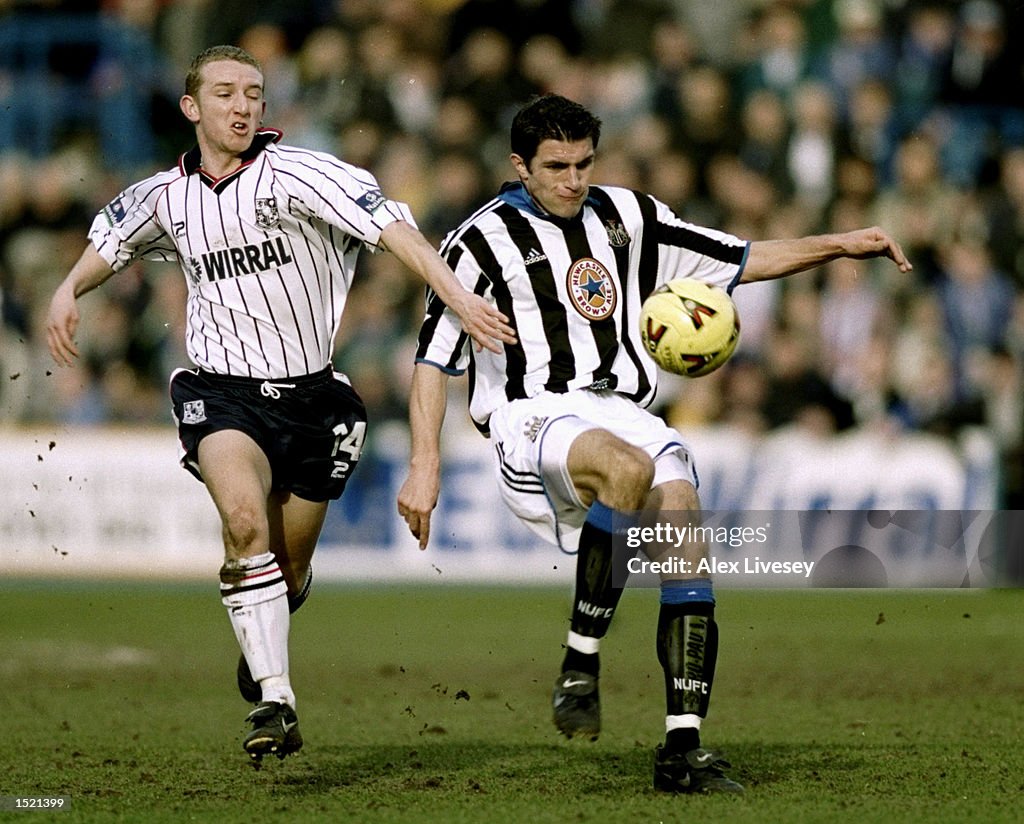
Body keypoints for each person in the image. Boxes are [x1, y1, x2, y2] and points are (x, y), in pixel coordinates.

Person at [397, 93, 911, 795]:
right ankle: (582, 659)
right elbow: (434, 360)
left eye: (583, 163)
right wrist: (424, 465)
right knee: (628, 468)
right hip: (531, 415)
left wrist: (841, 243)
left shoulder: (628, 216)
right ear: (519, 166)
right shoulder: (479, 243)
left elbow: (739, 258)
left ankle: (682, 746)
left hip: (621, 405)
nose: (573, 180)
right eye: (556, 167)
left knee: (682, 523)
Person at [45, 45, 515, 766]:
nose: (243, 106)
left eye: (255, 93)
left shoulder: (305, 173)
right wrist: (66, 290)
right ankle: (276, 699)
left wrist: (456, 295)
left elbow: (396, 234)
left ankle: (268, 618)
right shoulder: (161, 196)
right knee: (242, 524)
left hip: (314, 400)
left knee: (282, 573)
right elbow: (112, 243)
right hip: (219, 392)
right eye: (227, 93)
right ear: (192, 107)